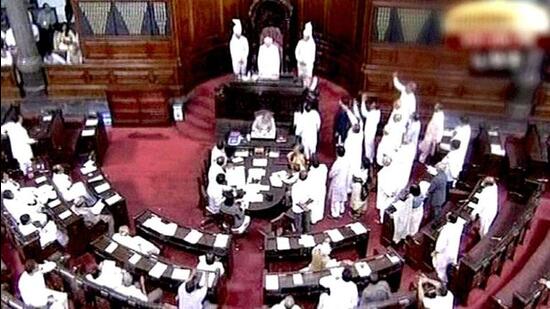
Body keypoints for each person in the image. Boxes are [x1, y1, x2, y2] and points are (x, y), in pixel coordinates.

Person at [432, 212, 464, 283]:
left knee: (441, 268)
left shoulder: (446, 230)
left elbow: (441, 244)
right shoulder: (459, 225)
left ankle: (441, 281)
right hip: (453, 250)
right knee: (448, 267)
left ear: (449, 219)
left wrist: (436, 251)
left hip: (445, 252)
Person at [376, 156, 398, 223]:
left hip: (387, 193)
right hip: (388, 193)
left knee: (384, 207)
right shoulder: (384, 172)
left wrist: (389, 193)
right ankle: (383, 219)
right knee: (385, 206)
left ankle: (382, 220)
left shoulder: (382, 173)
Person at [328, 146, 348, 218]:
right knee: (342, 197)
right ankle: (341, 209)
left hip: (337, 182)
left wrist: (329, 175)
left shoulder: (337, 163)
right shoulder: (346, 161)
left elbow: (331, 174)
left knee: (335, 199)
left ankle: (335, 214)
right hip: (344, 180)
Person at [360, 96, 381, 163]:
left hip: (369, 132)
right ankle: (371, 158)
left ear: (374, 104)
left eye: (371, 104)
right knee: (371, 146)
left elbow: (364, 113)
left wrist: (363, 101)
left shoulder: (373, 113)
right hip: (371, 131)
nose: (370, 105)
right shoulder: (377, 112)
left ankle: (368, 160)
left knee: (368, 146)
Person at [308, 155, 328, 224]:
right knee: (320, 203)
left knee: (314, 205)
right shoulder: (324, 167)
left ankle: (313, 219)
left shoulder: (311, 172)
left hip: (314, 190)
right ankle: (320, 216)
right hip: (322, 188)